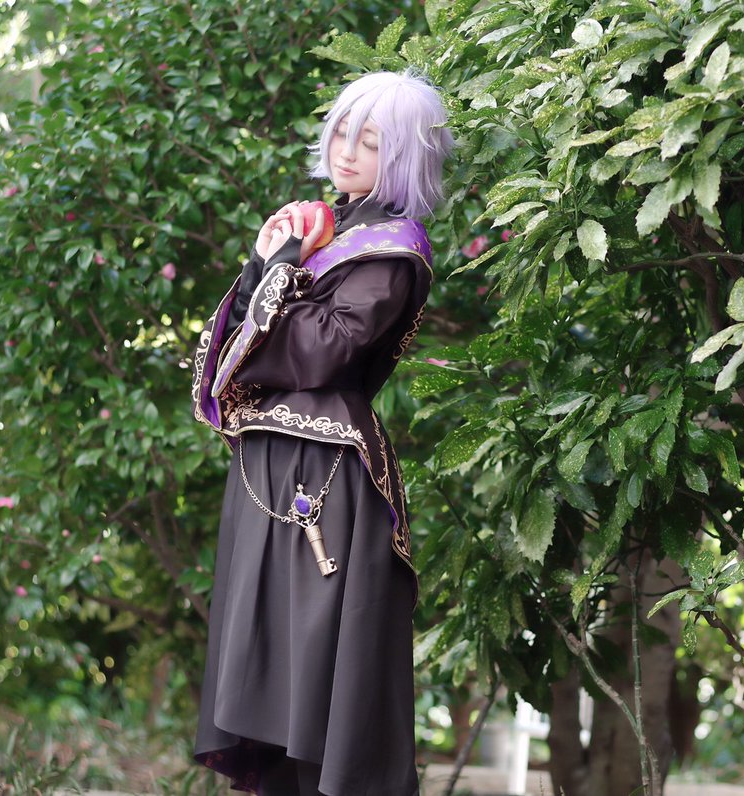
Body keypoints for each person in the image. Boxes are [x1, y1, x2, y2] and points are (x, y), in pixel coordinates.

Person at [189, 68, 454, 795]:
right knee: (268, 665)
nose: (346, 151)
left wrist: (283, 267)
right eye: (342, 132)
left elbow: (325, 350)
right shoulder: (333, 228)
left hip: (328, 473)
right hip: (271, 462)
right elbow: (242, 339)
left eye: (370, 141)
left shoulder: (393, 249)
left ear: (404, 156)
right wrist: (264, 264)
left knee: (317, 666)